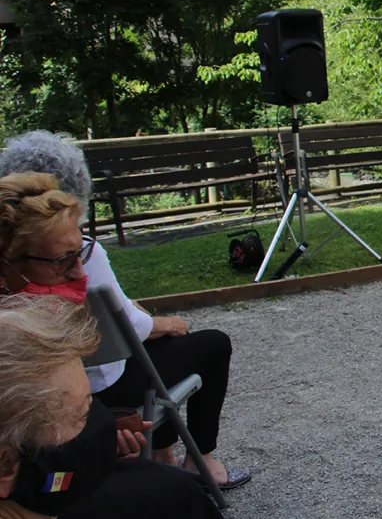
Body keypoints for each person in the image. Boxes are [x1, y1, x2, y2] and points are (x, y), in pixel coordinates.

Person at [0, 152, 248, 491]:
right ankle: (201, 461)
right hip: (56, 470)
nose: (79, 274)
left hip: (66, 458)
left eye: (81, 255)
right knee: (206, 345)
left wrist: (102, 434)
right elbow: (132, 329)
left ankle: (163, 455)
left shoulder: (37, 307)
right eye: (63, 260)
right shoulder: (21, 342)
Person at [0, 294, 224, 519]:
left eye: (93, 401)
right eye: (83, 414)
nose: (101, 421)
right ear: (6, 466)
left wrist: (93, 454)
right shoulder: (169, 498)